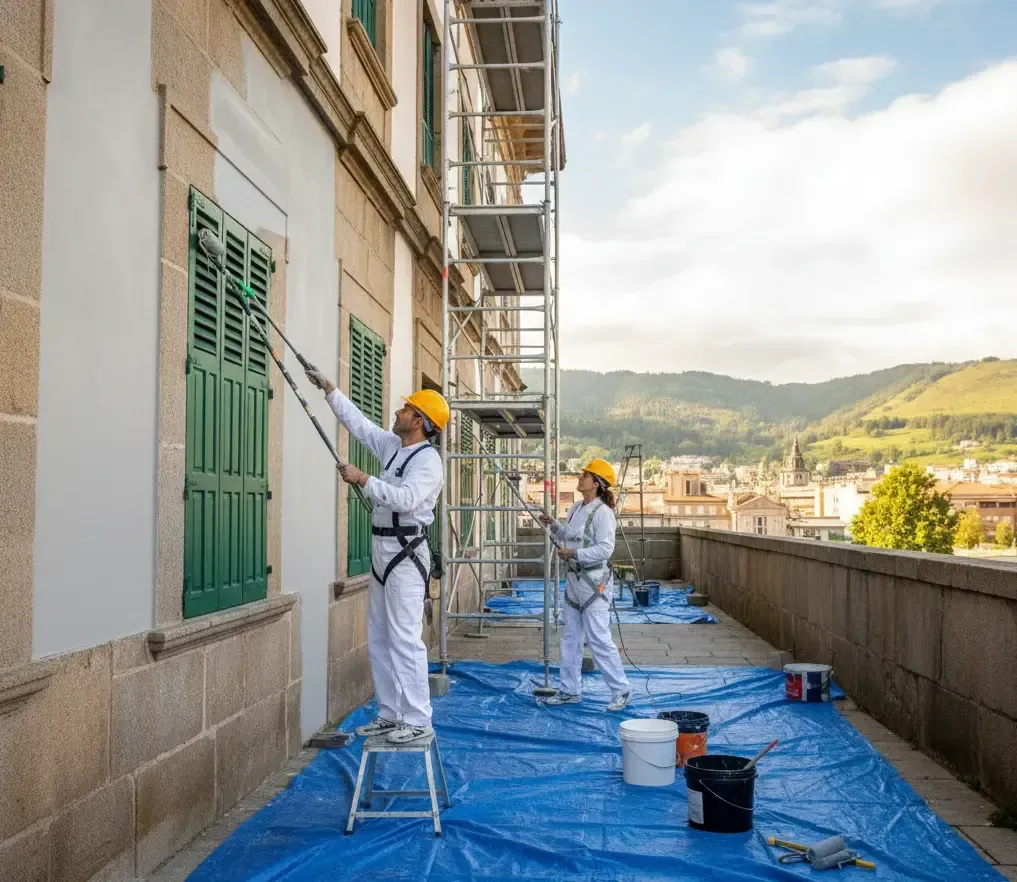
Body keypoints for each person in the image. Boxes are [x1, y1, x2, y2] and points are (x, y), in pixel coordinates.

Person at [306, 365, 448, 744]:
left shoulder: (428, 462)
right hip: (383, 551)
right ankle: (390, 711)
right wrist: (330, 389)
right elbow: (361, 425)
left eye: (406, 409)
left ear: (418, 421)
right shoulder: (393, 447)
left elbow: (407, 499)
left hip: (405, 553)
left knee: (405, 638)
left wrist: (364, 479)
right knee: (379, 636)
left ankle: (418, 718)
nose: (398, 412)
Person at [540, 459, 631, 712]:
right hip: (574, 581)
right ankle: (570, 690)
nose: (580, 479)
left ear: (597, 484)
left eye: (585, 476)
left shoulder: (604, 513)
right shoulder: (577, 508)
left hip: (593, 583)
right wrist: (554, 526)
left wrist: (574, 555)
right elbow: (570, 535)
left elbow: (605, 549)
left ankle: (621, 690)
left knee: (599, 638)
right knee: (570, 638)